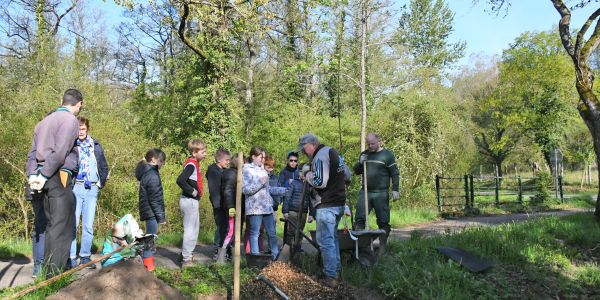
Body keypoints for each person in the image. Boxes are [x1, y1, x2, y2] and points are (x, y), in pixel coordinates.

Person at [25, 89, 83, 277]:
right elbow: (60, 152)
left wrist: (33, 175)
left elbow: (33, 154)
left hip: (42, 175)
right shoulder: (70, 121)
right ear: (79, 104)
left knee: (50, 226)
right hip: (57, 175)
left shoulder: (43, 122)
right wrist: (45, 175)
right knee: (62, 226)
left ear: (62, 100)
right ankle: (55, 277)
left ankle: (46, 274)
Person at [298, 132, 347, 288]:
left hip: (327, 204)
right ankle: (335, 273)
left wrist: (307, 173)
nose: (304, 153)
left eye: (304, 149)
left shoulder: (320, 156)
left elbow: (319, 182)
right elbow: (348, 175)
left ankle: (330, 277)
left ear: (312, 144)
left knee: (326, 242)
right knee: (332, 240)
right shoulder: (334, 153)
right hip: (339, 202)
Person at [69, 117, 109, 269]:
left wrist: (100, 183)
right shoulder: (71, 146)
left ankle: (85, 256)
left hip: (92, 188)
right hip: (76, 187)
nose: (81, 132)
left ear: (87, 129)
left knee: (88, 225)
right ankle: (71, 258)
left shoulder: (95, 145)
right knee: (73, 223)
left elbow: (104, 166)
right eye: (78, 129)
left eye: (83, 129)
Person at [353, 133, 400, 255]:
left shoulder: (387, 155)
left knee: (383, 221)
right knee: (359, 219)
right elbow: (357, 171)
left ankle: (382, 247)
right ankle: (362, 248)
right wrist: (360, 162)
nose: (370, 146)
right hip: (366, 192)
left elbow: (395, 173)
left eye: (372, 143)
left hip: (381, 193)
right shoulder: (365, 154)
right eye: (368, 144)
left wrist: (395, 189)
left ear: (379, 141)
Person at [242, 146, 279, 259]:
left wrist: (285, 190)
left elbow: (268, 189)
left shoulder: (263, 169)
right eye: (261, 156)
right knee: (255, 234)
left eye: (263, 156)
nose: (263, 159)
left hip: (267, 207)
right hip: (255, 208)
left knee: (272, 233)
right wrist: (260, 182)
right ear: (253, 157)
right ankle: (256, 260)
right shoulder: (247, 169)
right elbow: (245, 190)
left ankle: (275, 258)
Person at [176, 139, 207, 267]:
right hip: (189, 201)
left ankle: (186, 254)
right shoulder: (191, 165)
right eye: (203, 151)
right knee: (190, 230)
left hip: (192, 201)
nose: (205, 154)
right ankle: (186, 259)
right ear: (194, 152)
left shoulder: (194, 164)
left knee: (194, 229)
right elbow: (180, 180)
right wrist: (193, 191)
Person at [135, 148, 166, 271]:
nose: (162, 164)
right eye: (161, 161)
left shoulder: (146, 172)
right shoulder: (152, 175)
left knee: (149, 237)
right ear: (153, 160)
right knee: (150, 239)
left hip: (147, 211)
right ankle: (148, 267)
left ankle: (147, 264)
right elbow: (155, 198)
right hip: (151, 212)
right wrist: (161, 217)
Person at [282, 163, 315, 250]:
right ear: (299, 172)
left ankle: (297, 249)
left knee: (300, 231)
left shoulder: (309, 185)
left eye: (306, 172)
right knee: (291, 231)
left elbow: (311, 201)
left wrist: (312, 214)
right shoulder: (294, 183)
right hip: (293, 211)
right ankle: (288, 249)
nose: (303, 174)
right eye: (301, 172)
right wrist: (285, 211)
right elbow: (288, 197)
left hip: (304, 212)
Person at [206, 148, 231, 256]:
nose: (228, 162)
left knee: (226, 227)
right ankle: (217, 249)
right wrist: (217, 204)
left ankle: (224, 249)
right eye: (226, 160)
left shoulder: (223, 171)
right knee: (220, 226)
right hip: (219, 204)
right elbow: (214, 189)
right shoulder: (213, 171)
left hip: (225, 204)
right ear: (220, 160)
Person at [218, 154, 241, 262]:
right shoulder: (231, 174)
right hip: (232, 208)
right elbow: (228, 191)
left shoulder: (236, 173)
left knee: (235, 233)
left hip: (237, 208)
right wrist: (231, 207)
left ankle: (231, 257)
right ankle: (221, 258)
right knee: (230, 232)